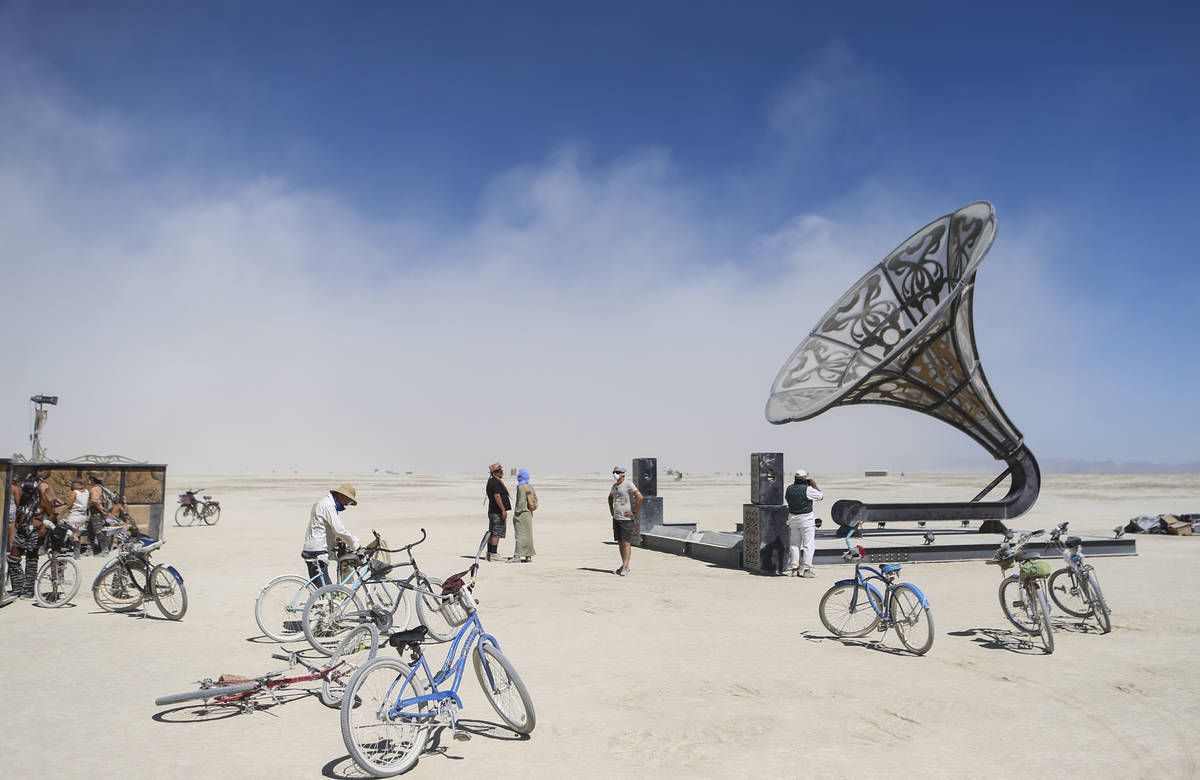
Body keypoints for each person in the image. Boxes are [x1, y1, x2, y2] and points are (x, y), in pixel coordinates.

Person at [8, 471, 57, 598]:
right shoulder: (23, 498)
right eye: (26, 490)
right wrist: (18, 522)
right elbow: (20, 511)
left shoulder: (42, 499)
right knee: (13, 559)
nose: (28, 492)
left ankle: (29, 590)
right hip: (22, 531)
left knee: (31, 560)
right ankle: (18, 587)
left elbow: (51, 514)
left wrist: (44, 526)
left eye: (30, 490)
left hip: (35, 532)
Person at [301, 484, 360, 587]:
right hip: (317, 551)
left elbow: (325, 527)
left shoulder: (326, 503)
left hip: (314, 548)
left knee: (318, 589)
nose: (346, 505)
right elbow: (339, 529)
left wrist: (338, 539)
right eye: (348, 501)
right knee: (327, 590)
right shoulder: (328, 505)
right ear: (341, 495)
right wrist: (355, 544)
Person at [785, 469, 825, 577]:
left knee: (794, 545)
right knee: (808, 544)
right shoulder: (808, 489)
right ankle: (807, 569)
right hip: (806, 520)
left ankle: (794, 569)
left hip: (793, 519)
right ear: (804, 478)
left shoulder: (789, 489)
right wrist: (814, 486)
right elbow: (821, 496)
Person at [608, 465, 642, 577]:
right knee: (620, 542)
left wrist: (634, 511)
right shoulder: (615, 486)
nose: (615, 473)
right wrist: (612, 510)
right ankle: (624, 565)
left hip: (626, 519)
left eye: (617, 472)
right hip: (617, 518)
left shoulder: (628, 484)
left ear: (623, 473)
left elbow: (639, 497)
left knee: (626, 542)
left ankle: (626, 566)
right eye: (613, 471)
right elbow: (610, 497)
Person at [509, 468, 537, 563]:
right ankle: (528, 556)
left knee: (520, 535)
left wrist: (517, 512)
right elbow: (535, 499)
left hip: (521, 514)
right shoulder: (530, 486)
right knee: (528, 535)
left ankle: (517, 556)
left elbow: (520, 502)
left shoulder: (520, 487)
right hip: (529, 513)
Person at [85, 472, 116, 555]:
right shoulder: (101, 488)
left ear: (92, 479)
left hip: (96, 513)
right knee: (90, 531)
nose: (89, 480)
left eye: (89, 478)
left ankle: (104, 550)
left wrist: (101, 510)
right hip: (95, 513)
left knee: (98, 531)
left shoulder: (95, 489)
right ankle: (90, 549)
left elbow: (95, 501)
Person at [485, 462, 510, 562]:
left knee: (492, 531)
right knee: (496, 532)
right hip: (496, 512)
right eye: (500, 471)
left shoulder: (491, 481)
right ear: (495, 472)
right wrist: (503, 510)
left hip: (493, 511)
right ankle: (493, 554)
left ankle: (490, 553)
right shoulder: (495, 482)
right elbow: (497, 496)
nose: (502, 473)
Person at [61, 480, 89, 554]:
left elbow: (68, 505)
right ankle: (76, 551)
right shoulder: (86, 492)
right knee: (76, 533)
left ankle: (76, 553)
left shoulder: (75, 493)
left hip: (75, 515)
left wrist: (59, 515)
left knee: (73, 534)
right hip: (83, 516)